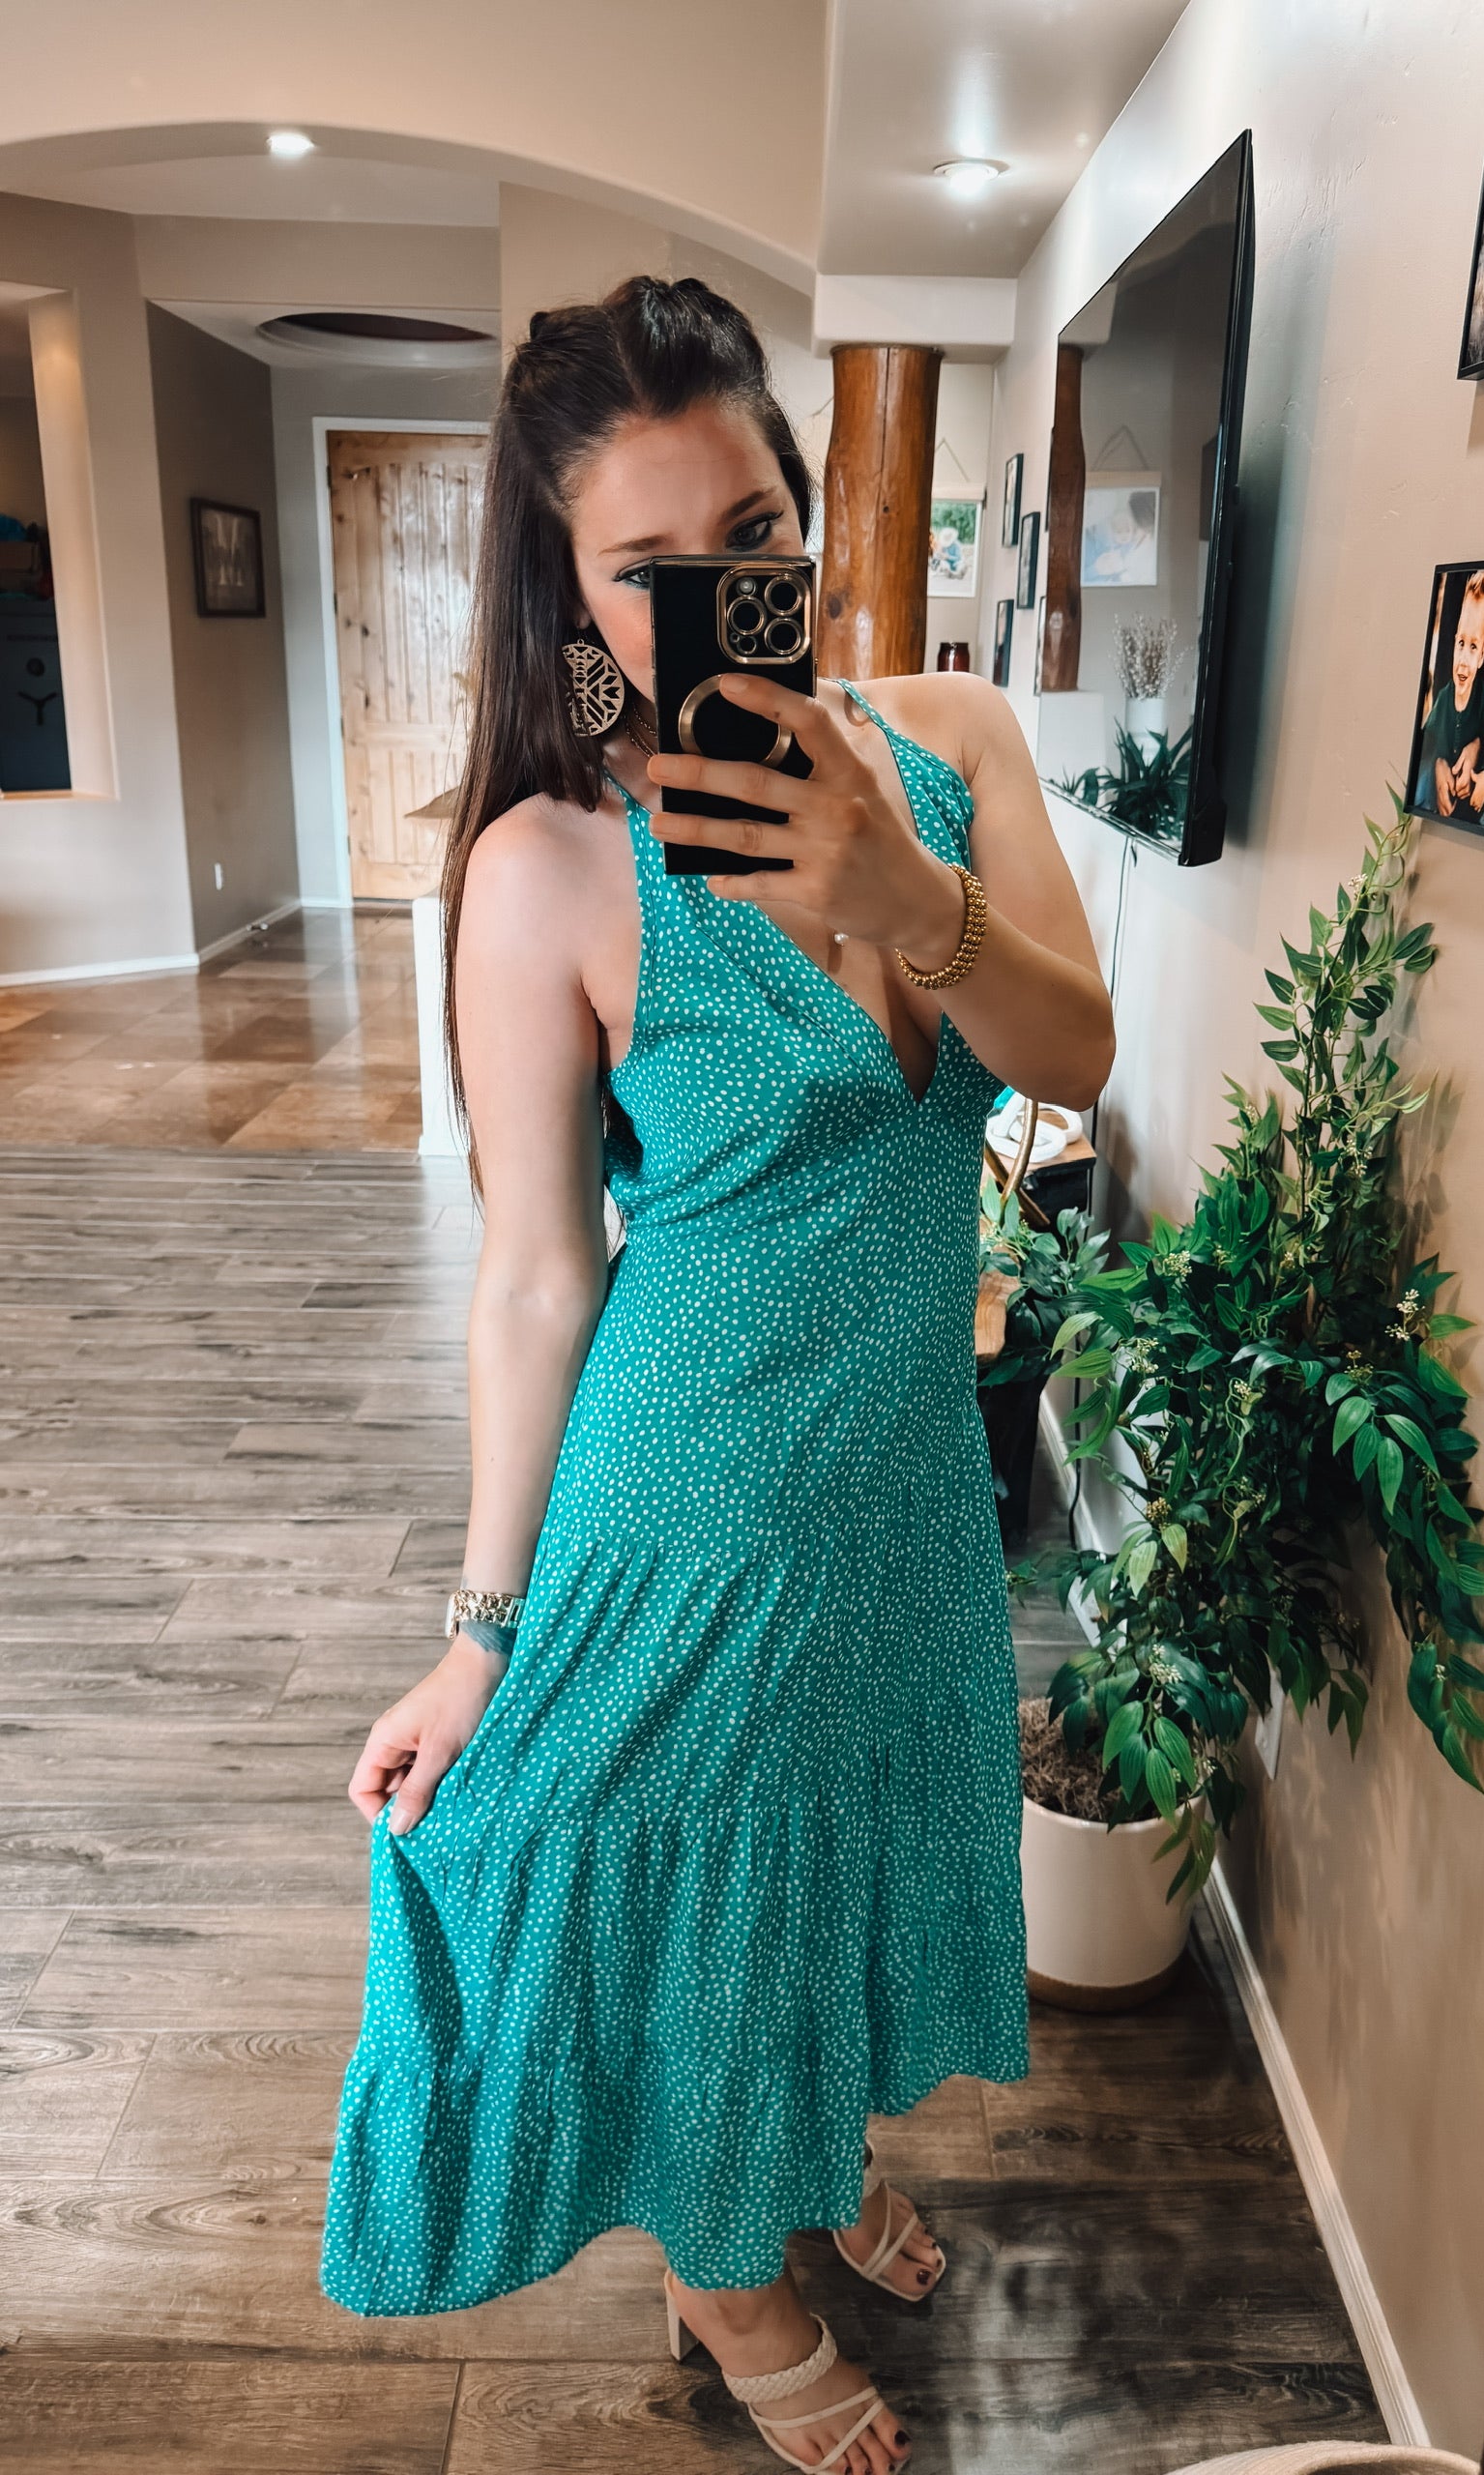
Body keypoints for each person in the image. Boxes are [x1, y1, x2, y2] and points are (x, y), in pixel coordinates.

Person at [319, 275, 1114, 2473]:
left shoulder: (953, 742)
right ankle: (726, 2267)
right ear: (568, 594)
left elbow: (1073, 1055)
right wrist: (478, 1629)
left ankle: (796, 2148)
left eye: (752, 532)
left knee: (830, 1860)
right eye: (648, 569)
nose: (718, 596)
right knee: (673, 1889)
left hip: (907, 1486)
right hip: (695, 1496)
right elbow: (533, 1277)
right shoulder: (550, 863)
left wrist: (898, 889)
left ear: (809, 507)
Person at [1413, 568, 1484, 819]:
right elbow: (1428, 742)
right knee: (1421, 787)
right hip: (1446, 802)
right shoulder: (1445, 697)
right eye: (1461, 643)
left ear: (1482, 656)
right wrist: (1438, 764)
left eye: (1473, 647)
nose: (1463, 659)